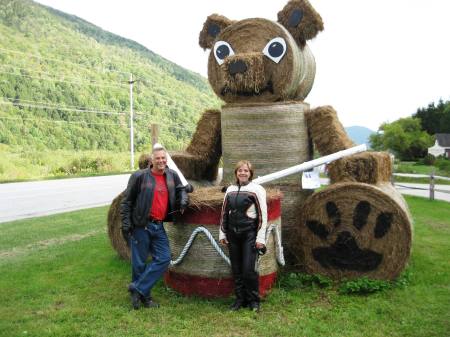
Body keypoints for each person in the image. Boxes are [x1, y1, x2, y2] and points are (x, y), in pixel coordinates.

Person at [120, 147, 188, 310]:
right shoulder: (139, 176)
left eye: (163, 158)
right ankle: (145, 297)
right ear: (152, 160)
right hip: (141, 225)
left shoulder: (172, 175)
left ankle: (137, 289)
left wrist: (184, 200)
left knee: (164, 259)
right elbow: (127, 201)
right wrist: (126, 223)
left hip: (159, 225)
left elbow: (181, 189)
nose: (161, 161)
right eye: (158, 158)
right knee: (139, 263)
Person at [219, 160, 267, 312]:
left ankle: (254, 301)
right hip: (233, 235)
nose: (243, 173)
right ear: (236, 173)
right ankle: (240, 300)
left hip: (249, 235)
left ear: (250, 173)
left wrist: (260, 238)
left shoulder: (257, 189)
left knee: (248, 270)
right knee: (237, 269)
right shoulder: (230, 189)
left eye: (246, 170)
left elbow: (262, 215)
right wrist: (223, 233)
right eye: (240, 170)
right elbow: (224, 213)